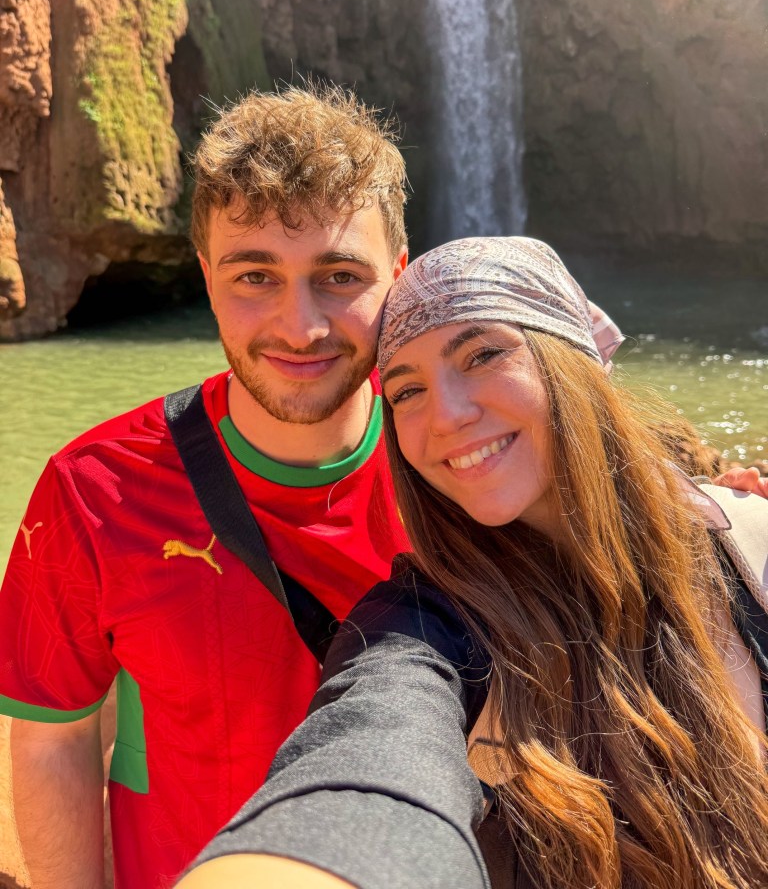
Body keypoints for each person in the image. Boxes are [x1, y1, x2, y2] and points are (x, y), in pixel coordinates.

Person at [180, 237, 768, 889]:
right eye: (405, 392)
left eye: (483, 354)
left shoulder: (746, 537)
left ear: (568, 359)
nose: (448, 416)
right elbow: (375, 738)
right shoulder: (427, 623)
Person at [0, 84, 410, 889]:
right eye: (255, 276)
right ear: (205, 276)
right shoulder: (91, 490)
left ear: (398, 273)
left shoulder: (458, 471)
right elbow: (55, 737)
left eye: (338, 275)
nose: (301, 326)